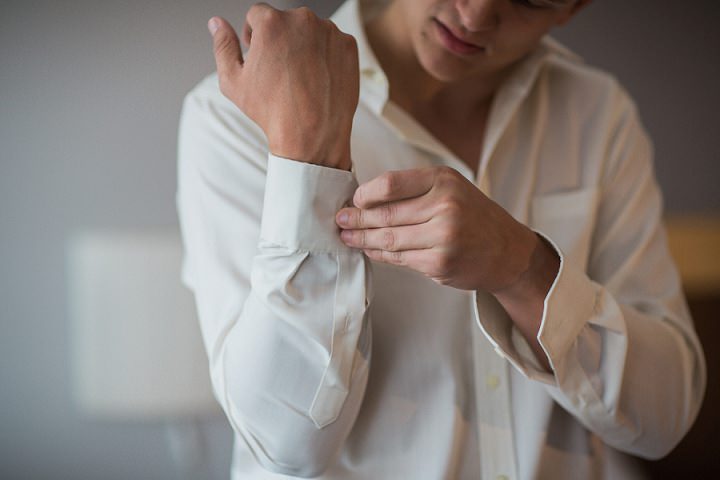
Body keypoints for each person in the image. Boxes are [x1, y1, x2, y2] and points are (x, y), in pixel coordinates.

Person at [177, 0, 707, 478]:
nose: (477, 14)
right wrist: (308, 163)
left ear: (572, 6)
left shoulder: (598, 114)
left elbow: (665, 418)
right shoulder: (233, 118)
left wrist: (523, 268)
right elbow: (287, 446)